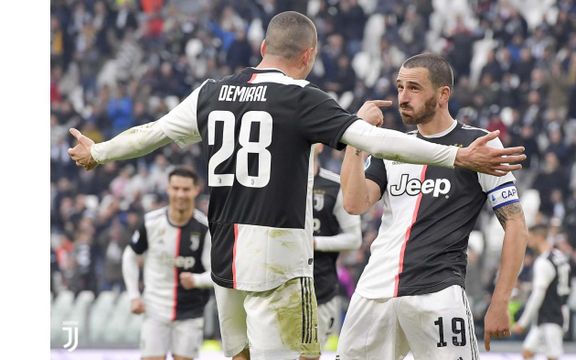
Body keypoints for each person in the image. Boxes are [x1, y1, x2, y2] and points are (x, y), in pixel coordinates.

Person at [68, 11, 526, 360]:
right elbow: (371, 139)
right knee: (303, 354)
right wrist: (456, 155)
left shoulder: (210, 91)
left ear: (264, 45)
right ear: (307, 56)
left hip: (224, 252)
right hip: (279, 257)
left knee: (239, 354)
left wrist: (99, 151)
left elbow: (154, 132)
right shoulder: (301, 97)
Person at [337, 53, 529, 359]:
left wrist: (500, 300)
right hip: (374, 291)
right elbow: (354, 202)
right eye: (399, 87)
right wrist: (357, 138)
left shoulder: (479, 145)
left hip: (437, 294)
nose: (402, 97)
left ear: (443, 94)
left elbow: (516, 225)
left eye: (413, 88)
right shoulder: (391, 148)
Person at [122, 167, 214, 360]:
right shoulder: (151, 222)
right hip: (154, 308)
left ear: (196, 190)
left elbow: (216, 274)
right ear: (168, 189)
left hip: (190, 311)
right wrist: (133, 295)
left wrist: (196, 280)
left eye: (186, 189)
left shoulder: (206, 229)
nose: (180, 194)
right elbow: (130, 256)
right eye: (176, 188)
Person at [311, 144, 363, 348]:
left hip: (322, 285)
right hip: (281, 285)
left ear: (321, 145)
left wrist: (315, 242)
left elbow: (354, 239)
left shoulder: (335, 186)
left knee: (312, 353)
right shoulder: (279, 184)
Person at [512, 224, 572, 360]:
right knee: (527, 352)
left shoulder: (543, 262)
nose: (528, 240)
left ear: (539, 237)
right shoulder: (559, 256)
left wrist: (523, 322)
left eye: (530, 236)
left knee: (553, 356)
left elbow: (538, 294)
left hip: (551, 316)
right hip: (556, 311)